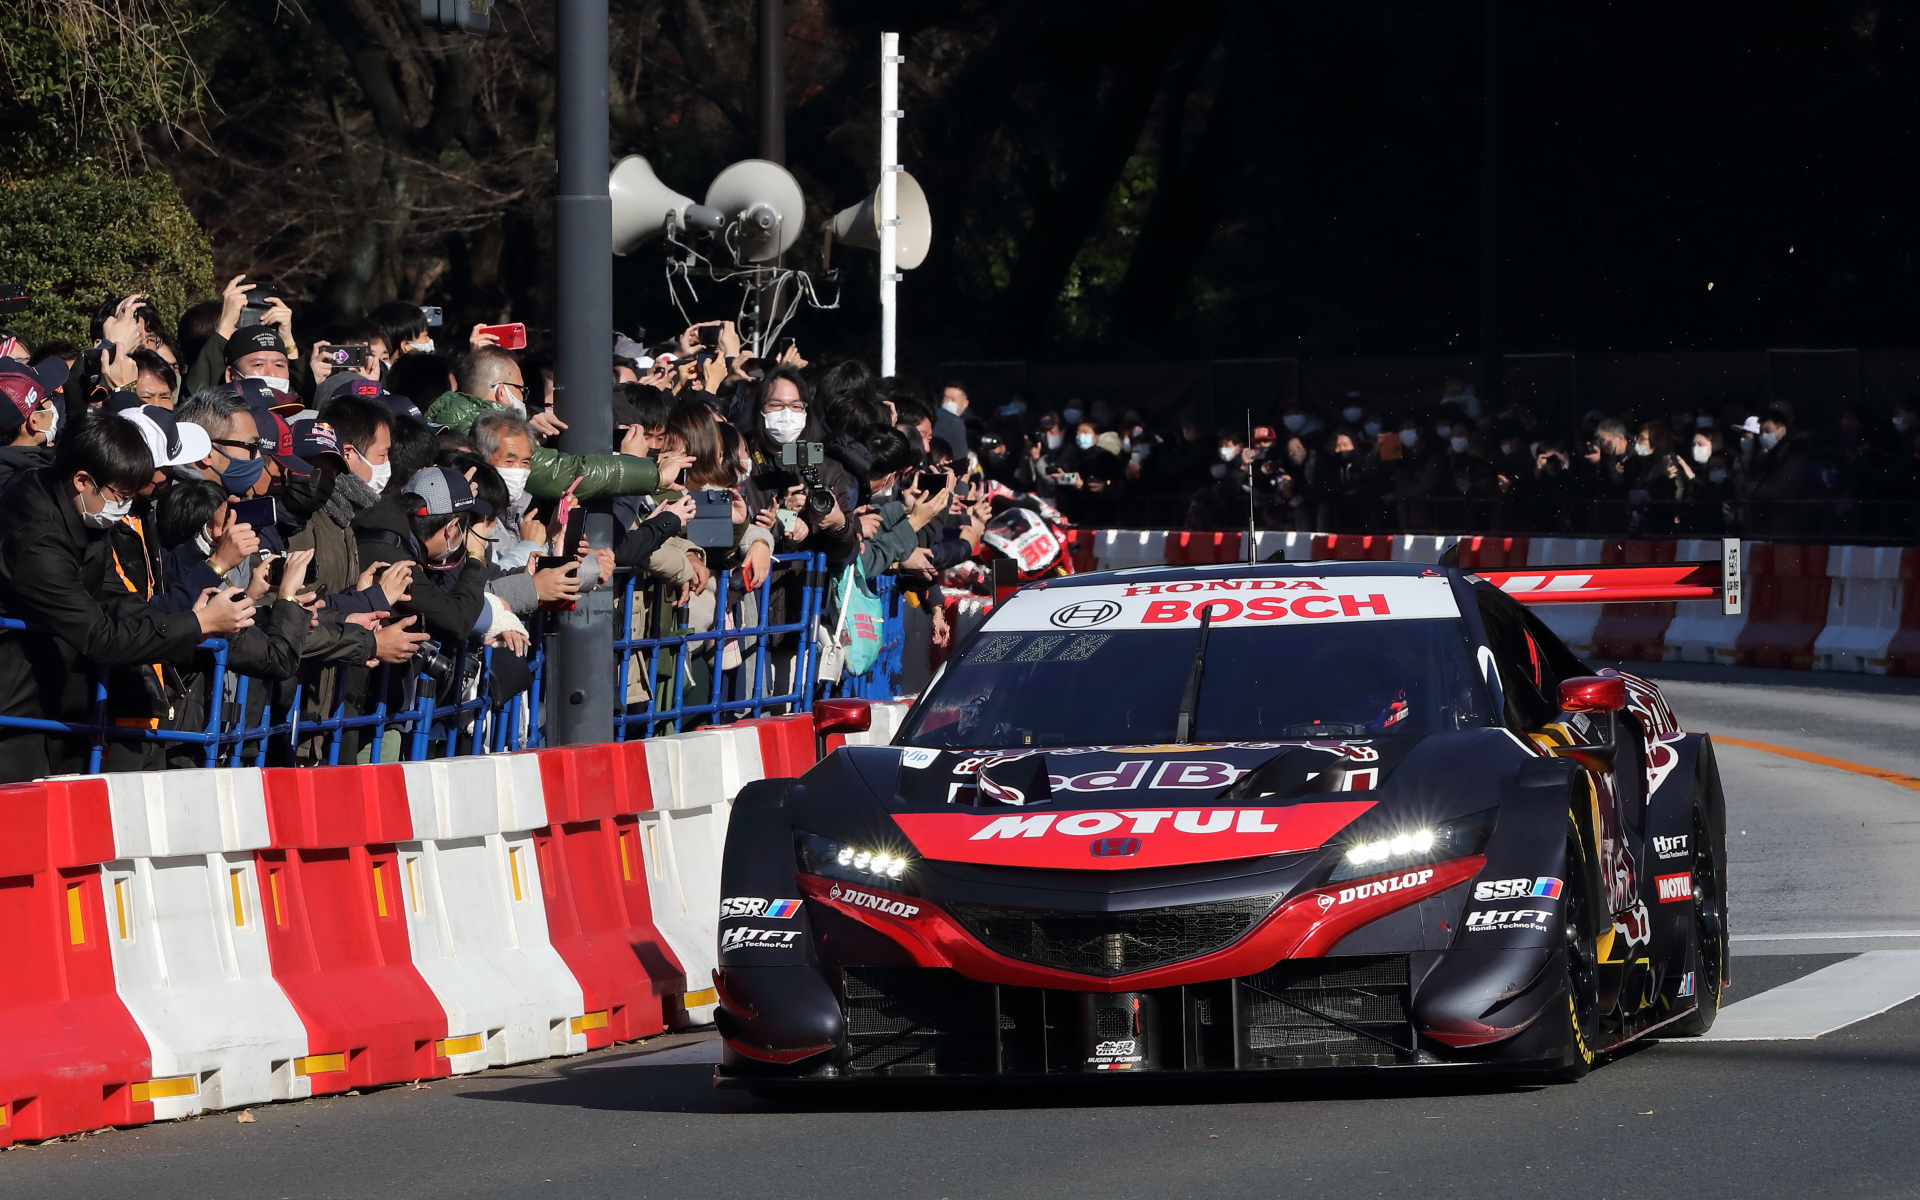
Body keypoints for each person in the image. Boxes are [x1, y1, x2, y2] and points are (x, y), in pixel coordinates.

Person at [0, 411, 255, 781]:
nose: (124, 506)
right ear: (82, 479)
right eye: (121, 494)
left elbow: (118, 598)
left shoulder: (83, 511)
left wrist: (185, 619)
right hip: (13, 706)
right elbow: (98, 636)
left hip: (47, 697)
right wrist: (198, 625)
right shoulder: (36, 539)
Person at [425, 345, 664, 501]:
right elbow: (564, 472)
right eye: (521, 390)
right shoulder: (482, 429)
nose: (524, 398)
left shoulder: (452, 414)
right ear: (501, 392)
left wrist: (527, 429)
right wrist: (650, 471)